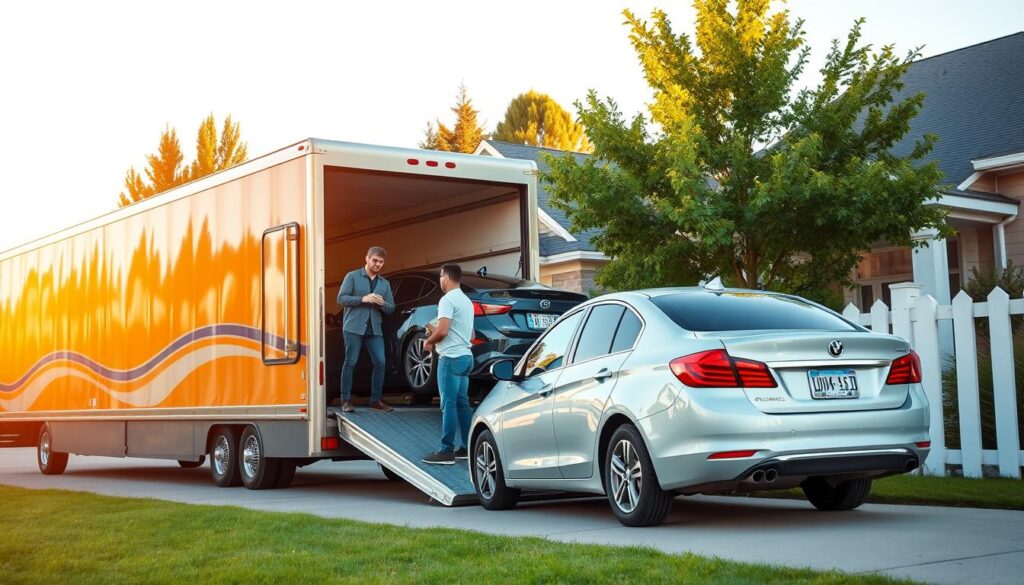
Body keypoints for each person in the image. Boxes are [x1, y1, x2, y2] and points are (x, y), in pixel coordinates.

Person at [421, 264, 475, 465]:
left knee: (448, 405)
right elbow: (471, 334)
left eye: (440, 277)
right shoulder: (467, 301)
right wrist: (438, 332)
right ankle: (467, 447)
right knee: (462, 404)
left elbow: (443, 331)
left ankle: (446, 451)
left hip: (450, 359)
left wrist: (429, 341)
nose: (440, 281)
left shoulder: (447, 300)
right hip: (466, 357)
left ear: (445, 278)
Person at [336, 246, 395, 413]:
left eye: (381, 262)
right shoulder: (352, 276)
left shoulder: (384, 283)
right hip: (353, 327)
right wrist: (363, 299)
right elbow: (341, 298)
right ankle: (345, 401)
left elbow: (391, 308)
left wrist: (382, 303)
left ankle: (376, 401)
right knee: (350, 362)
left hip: (374, 328)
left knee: (381, 362)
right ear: (367, 258)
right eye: (375, 260)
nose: (377, 264)